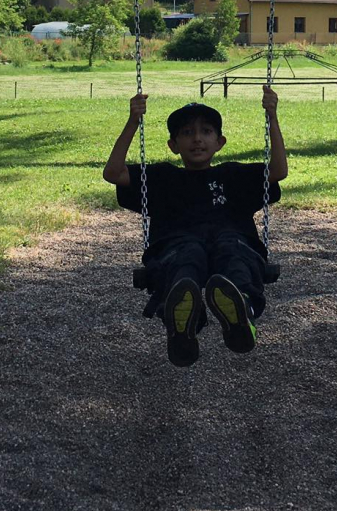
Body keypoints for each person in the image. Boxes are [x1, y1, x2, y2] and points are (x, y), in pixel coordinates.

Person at [104, 89, 287, 367]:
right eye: (187, 132)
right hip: (177, 246)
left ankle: (242, 309)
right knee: (186, 256)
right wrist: (133, 122)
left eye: (206, 131)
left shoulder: (232, 175)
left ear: (220, 142)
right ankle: (181, 318)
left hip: (233, 242)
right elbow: (113, 173)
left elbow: (278, 171)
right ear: (173, 144)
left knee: (232, 252)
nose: (197, 139)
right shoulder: (163, 178)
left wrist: (272, 116)